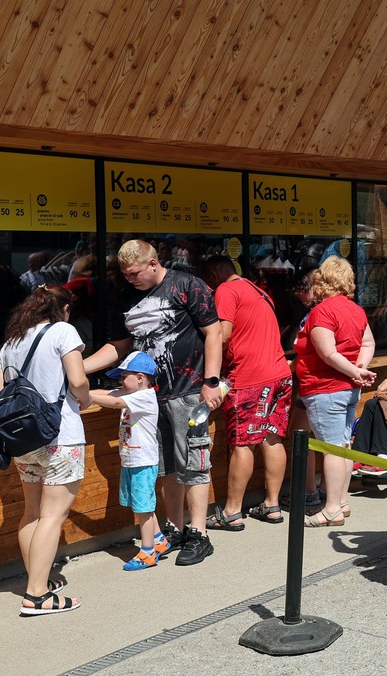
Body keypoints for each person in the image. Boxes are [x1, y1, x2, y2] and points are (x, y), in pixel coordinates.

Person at [83, 240, 223, 566]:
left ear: (153, 263)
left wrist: (212, 380)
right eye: (125, 274)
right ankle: (174, 527)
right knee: (165, 468)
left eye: (135, 273)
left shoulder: (187, 284)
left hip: (189, 389)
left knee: (194, 462)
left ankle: (199, 533)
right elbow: (118, 346)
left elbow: (214, 333)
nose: (131, 279)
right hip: (149, 397)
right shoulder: (126, 296)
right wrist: (80, 367)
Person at [0, 286, 91, 614]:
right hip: (61, 435)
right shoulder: (63, 331)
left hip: (26, 440)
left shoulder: (12, 342)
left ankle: (38, 580)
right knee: (53, 515)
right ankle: (36, 596)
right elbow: (77, 380)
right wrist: (85, 399)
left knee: (32, 513)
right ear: (61, 307)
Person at [199, 256, 294, 530]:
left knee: (243, 443)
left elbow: (222, 334)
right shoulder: (259, 291)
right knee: (272, 438)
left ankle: (231, 511)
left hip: (250, 379)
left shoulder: (226, 291)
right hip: (279, 374)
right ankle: (272, 505)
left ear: (214, 276)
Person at [294, 256, 376, 527]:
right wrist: (359, 368)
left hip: (324, 388)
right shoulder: (356, 309)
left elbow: (327, 353)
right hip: (347, 389)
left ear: (323, 280)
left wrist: (355, 371)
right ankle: (341, 502)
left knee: (331, 449)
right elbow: (368, 342)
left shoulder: (322, 311)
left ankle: (331, 508)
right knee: (341, 445)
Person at [90, 352, 166, 571]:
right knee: (144, 505)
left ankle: (148, 552)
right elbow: (107, 392)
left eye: (124, 376)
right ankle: (159, 539)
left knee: (143, 509)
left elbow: (113, 400)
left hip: (142, 461)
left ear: (141, 377)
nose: (120, 381)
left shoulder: (144, 396)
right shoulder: (130, 393)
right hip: (131, 459)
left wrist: (88, 397)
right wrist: (81, 392)